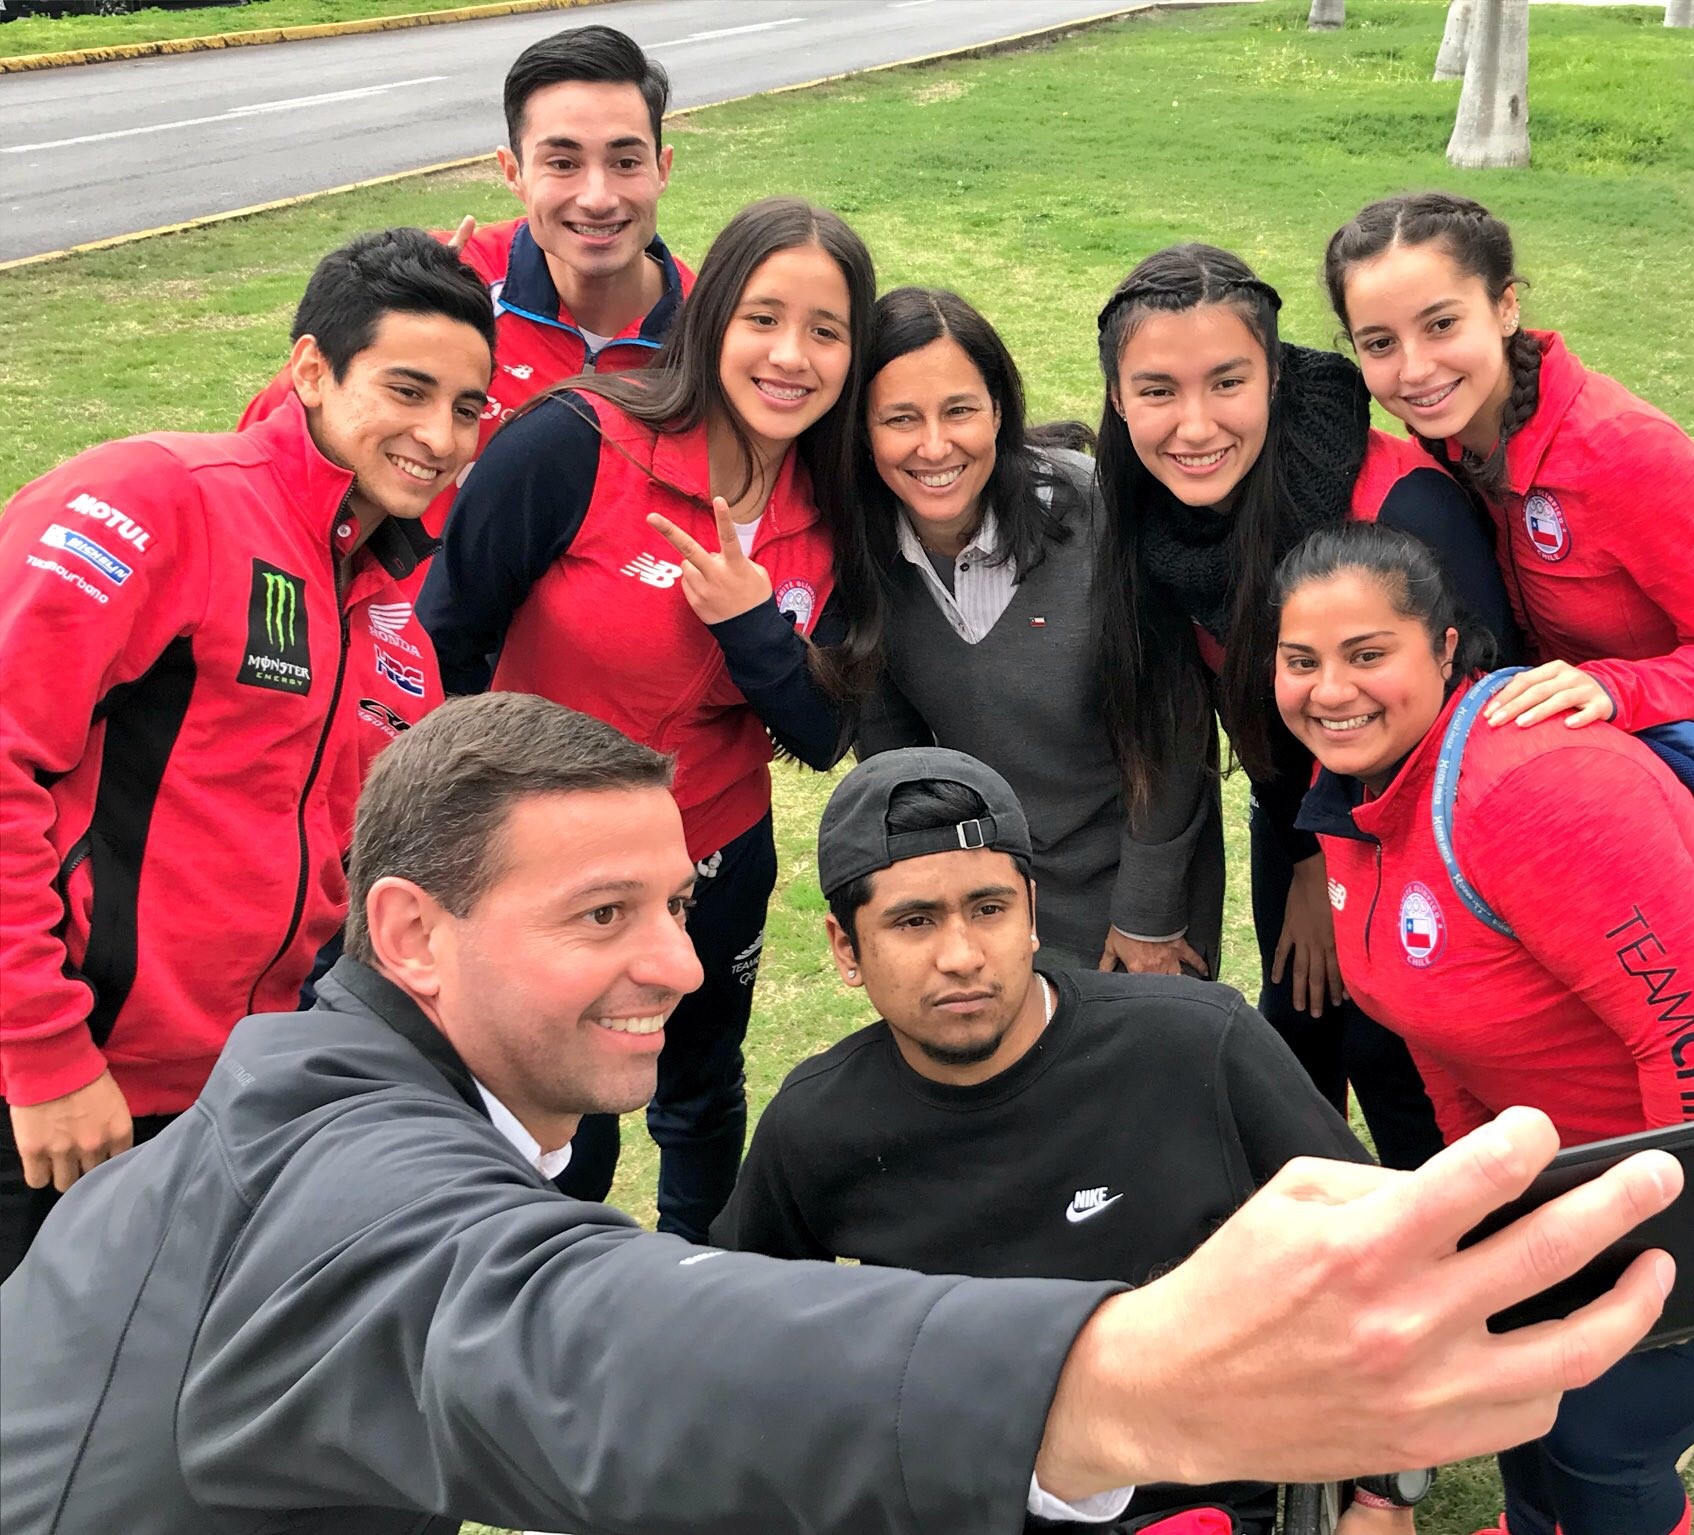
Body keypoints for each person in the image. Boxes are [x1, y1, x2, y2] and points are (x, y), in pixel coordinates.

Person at [0, 690, 1688, 1535]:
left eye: (672, 904)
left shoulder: (320, 1088)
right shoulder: (350, 1163)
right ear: (410, 936)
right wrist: (1110, 1383)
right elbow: (574, 1339)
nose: (673, 962)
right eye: (601, 916)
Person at [1276, 522, 1694, 1535]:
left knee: (1598, 1434)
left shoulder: (1530, 786)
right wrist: (1495, 1214)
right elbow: (1439, 1026)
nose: (1330, 689)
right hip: (1608, 1158)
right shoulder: (1357, 804)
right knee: (1522, 1384)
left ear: (1444, 649)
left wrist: (1676, 1275)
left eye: (1367, 654)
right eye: (1300, 660)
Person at [715, 746, 1424, 1534]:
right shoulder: (816, 1127)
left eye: (989, 908)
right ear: (845, 947)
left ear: (1032, 911)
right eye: (914, 922)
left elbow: (1381, 1261)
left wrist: (1384, 1493)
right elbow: (739, 1349)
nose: (962, 955)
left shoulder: (1197, 1046)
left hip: (1199, 1501)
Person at [0, 228, 492, 1281]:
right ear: (311, 368)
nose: (438, 435)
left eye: (465, 408)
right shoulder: (159, 497)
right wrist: (41, 1054)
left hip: (221, 1102)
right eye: (406, 389)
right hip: (54, 1092)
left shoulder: (390, 597)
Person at [418, 196, 867, 1231]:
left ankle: (693, 1292)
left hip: (714, 858)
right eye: (762, 317)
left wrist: (754, 626)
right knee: (560, 1106)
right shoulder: (576, 441)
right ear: (708, 318)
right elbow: (440, 639)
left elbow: (820, 729)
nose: (789, 355)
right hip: (541, 868)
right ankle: (537, 1296)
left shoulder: (839, 500)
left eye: (825, 330)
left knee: (699, 1097)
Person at [1092, 242, 1512, 1169]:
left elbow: (1484, 720)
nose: (1194, 424)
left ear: (1276, 379)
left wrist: (1337, 859)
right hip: (1296, 819)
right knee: (1295, 1063)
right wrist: (1304, 853)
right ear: (1118, 400)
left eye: (1227, 382)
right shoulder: (1149, 514)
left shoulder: (1398, 508)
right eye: (1157, 390)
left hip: (1434, 844)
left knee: (1401, 1070)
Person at [1322, 191, 1694, 868]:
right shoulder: (1443, 443)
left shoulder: (1625, 452)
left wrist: (1614, 686)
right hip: (1616, 787)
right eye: (1381, 343)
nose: (1415, 368)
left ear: (1506, 306)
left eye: (1442, 324)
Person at [839, 288, 1223, 975]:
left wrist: (1147, 917)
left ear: (999, 410)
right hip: (987, 900)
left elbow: (1175, 729)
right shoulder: (861, 554)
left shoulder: (1099, 514)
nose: (934, 446)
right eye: (900, 418)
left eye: (959, 410)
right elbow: (895, 763)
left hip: (1134, 890)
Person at [239, 24, 696, 534]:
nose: (597, 196)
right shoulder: (437, 288)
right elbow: (269, 454)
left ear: (662, 168)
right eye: (562, 163)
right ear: (512, 172)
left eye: (625, 162)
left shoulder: (714, 331)